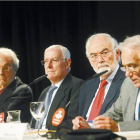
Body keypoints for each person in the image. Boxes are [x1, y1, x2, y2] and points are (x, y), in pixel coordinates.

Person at [72, 33, 125, 130]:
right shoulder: (87, 86)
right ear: (89, 60)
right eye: (94, 56)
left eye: (104, 53)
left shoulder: (129, 81)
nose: (100, 60)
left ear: (117, 53)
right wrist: (80, 124)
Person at [90, 35, 140, 132]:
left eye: (132, 66)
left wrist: (119, 127)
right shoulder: (128, 85)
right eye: (125, 67)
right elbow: (114, 114)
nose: (127, 74)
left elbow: (117, 125)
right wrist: (91, 125)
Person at [31, 45, 84, 130]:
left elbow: (72, 121)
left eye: (54, 60)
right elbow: (34, 122)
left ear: (67, 63)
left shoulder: (77, 86)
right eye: (45, 61)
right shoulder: (45, 92)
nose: (48, 66)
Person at [0, 47, 33, 123]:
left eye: (6, 68)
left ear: (15, 69)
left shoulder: (23, 90)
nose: (1, 72)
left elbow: (5, 117)